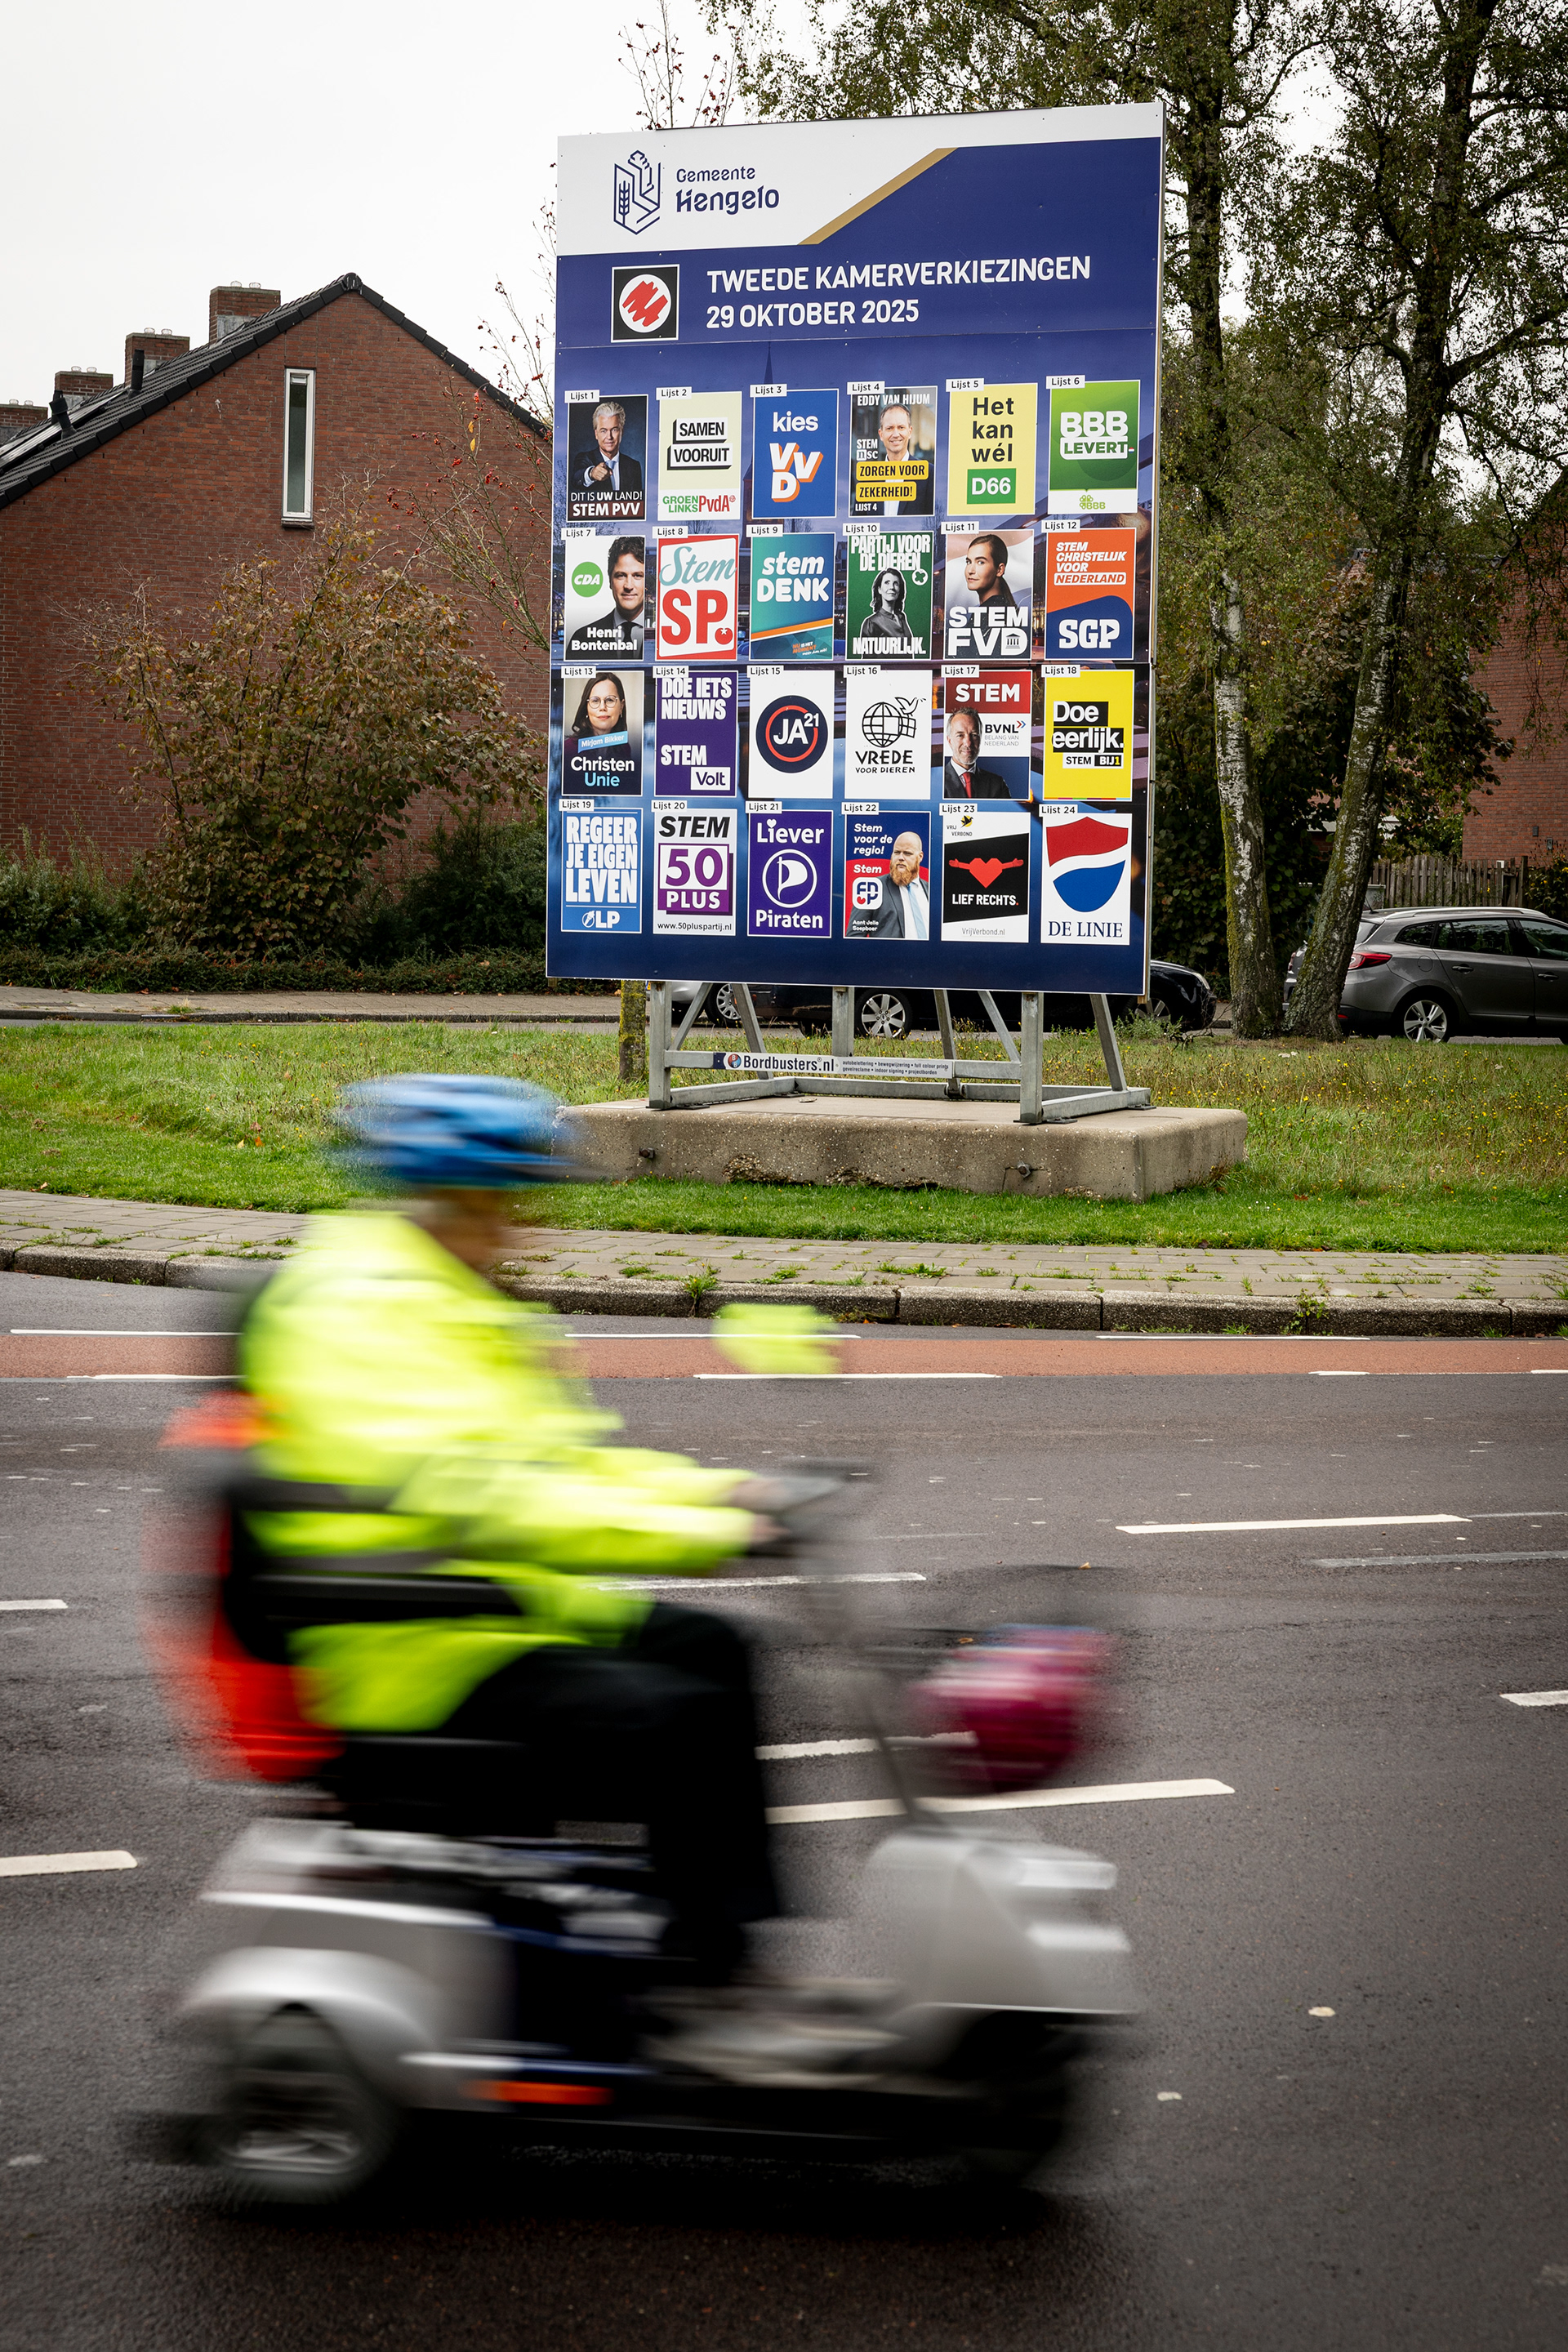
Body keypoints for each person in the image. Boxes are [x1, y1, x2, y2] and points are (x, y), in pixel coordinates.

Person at [233, 1076, 782, 1980]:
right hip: (414, 1648)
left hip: (487, 1614)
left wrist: (731, 1496)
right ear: (455, 1199)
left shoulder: (451, 1297)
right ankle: (708, 1984)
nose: (526, 1227)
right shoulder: (358, 1310)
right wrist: (702, 1536)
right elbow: (480, 1492)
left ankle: (711, 1945)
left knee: (717, 1647)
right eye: (509, 1203)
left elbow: (569, 1466)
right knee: (680, 1719)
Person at [566, 537, 645, 656]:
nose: (629, 586)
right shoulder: (582, 638)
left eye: (638, 576)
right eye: (621, 575)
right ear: (610, 581)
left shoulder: (664, 637)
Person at [571, 401, 643, 499]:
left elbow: (638, 504)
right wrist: (592, 473)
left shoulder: (633, 466)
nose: (609, 437)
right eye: (604, 431)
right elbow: (576, 479)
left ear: (622, 432)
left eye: (614, 430)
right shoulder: (584, 458)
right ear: (596, 434)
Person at [870, 831, 931, 938]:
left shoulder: (932, 891)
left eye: (907, 853)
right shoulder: (874, 887)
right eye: (897, 852)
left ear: (920, 857)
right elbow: (854, 936)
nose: (901, 858)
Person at [942, 706, 1011, 799]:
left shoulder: (997, 784)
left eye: (974, 735)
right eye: (960, 735)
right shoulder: (935, 783)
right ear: (949, 741)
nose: (968, 743)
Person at [855, 565, 915, 651]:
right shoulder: (871, 623)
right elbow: (867, 660)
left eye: (896, 583)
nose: (892, 587)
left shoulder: (902, 617)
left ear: (899, 591)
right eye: (887, 583)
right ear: (879, 589)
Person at [961, 533, 1018, 608]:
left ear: (1000, 570)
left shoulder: (988, 612)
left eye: (980, 562)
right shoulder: (1003, 607)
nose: (970, 571)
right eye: (969, 562)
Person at [569, 671, 629, 742]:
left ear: (621, 706)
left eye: (609, 700)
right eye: (595, 701)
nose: (602, 707)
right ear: (586, 707)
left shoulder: (625, 748)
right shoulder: (569, 748)